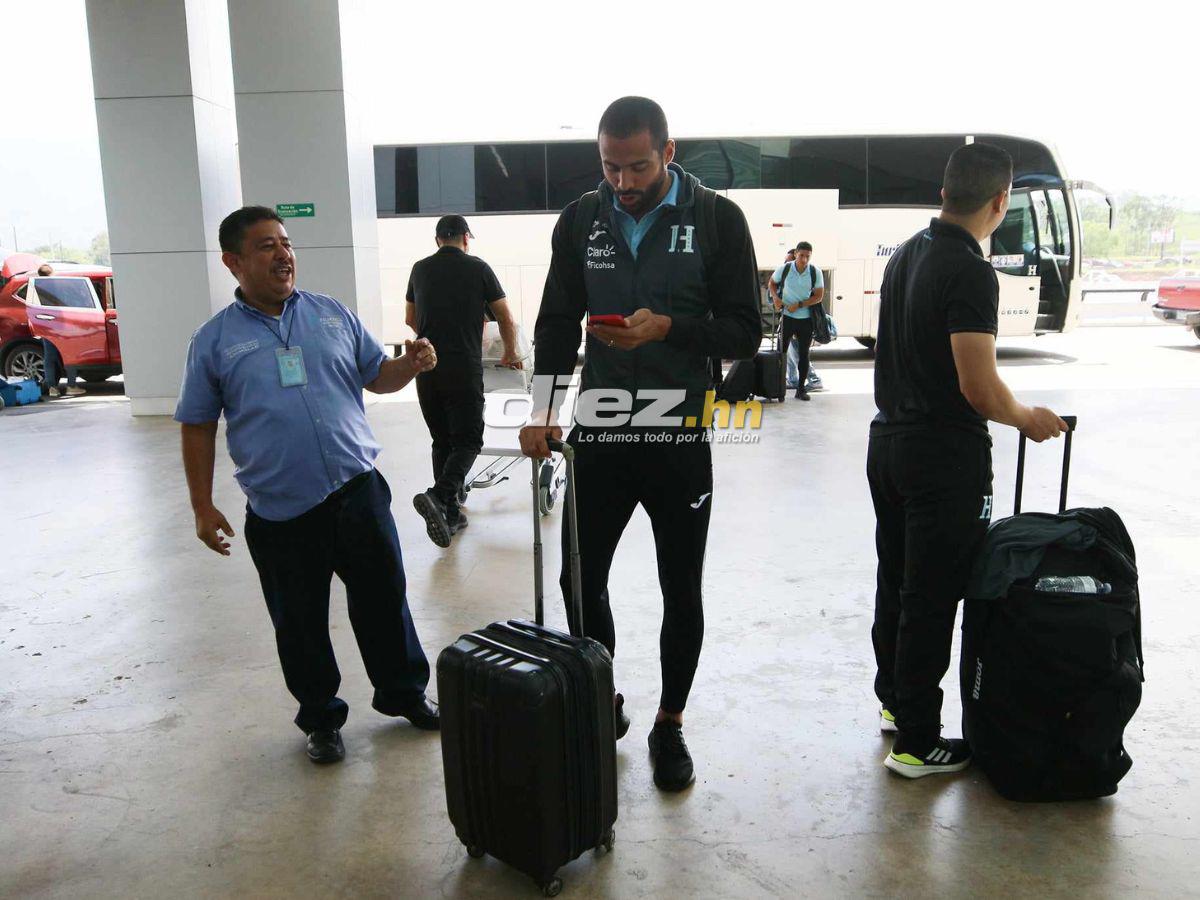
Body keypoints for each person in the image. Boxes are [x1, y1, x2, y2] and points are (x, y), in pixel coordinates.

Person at [518, 97, 760, 792]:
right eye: (610, 166)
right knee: (578, 577)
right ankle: (603, 701)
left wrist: (668, 330)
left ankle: (670, 724)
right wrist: (541, 409)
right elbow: (557, 324)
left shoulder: (716, 219)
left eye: (638, 166)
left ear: (669, 152)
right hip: (601, 427)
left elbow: (745, 330)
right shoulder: (580, 221)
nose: (622, 181)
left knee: (679, 586)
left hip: (677, 430)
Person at [175, 205, 441, 765]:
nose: (283, 254)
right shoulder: (213, 340)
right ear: (233, 261)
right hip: (281, 510)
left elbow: (378, 375)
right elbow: (196, 423)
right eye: (267, 245)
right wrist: (202, 505)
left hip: (358, 489)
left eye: (287, 243)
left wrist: (410, 365)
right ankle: (321, 719)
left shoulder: (331, 314)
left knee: (385, 600)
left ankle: (404, 694)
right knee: (299, 622)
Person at [868, 143, 1067, 778]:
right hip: (942, 458)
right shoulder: (971, 270)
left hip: (889, 444)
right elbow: (977, 386)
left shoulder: (906, 254)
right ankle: (918, 740)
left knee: (897, 581)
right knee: (933, 595)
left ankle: (898, 707)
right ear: (1001, 201)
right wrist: (1026, 418)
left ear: (946, 189)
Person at [406, 215, 522, 547]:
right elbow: (504, 315)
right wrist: (511, 353)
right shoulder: (478, 268)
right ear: (466, 239)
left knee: (441, 440)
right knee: (469, 440)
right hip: (462, 366)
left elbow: (410, 318)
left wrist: (435, 334)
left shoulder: (419, 268)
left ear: (437, 240)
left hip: (426, 368)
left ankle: (450, 514)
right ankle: (441, 495)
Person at [767, 242, 824, 400]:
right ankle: (778, 389)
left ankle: (801, 390)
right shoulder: (785, 269)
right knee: (781, 353)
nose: (804, 260)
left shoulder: (815, 272)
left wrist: (800, 304)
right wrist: (776, 297)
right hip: (787, 317)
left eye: (808, 256)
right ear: (796, 254)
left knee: (803, 354)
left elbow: (818, 296)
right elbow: (771, 283)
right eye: (801, 256)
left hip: (805, 320)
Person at [32, 264, 85, 399]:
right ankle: (71, 386)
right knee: (69, 355)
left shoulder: (35, 287)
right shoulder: (57, 286)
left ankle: (52, 388)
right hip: (61, 326)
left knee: (49, 357)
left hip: (45, 326)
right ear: (51, 273)